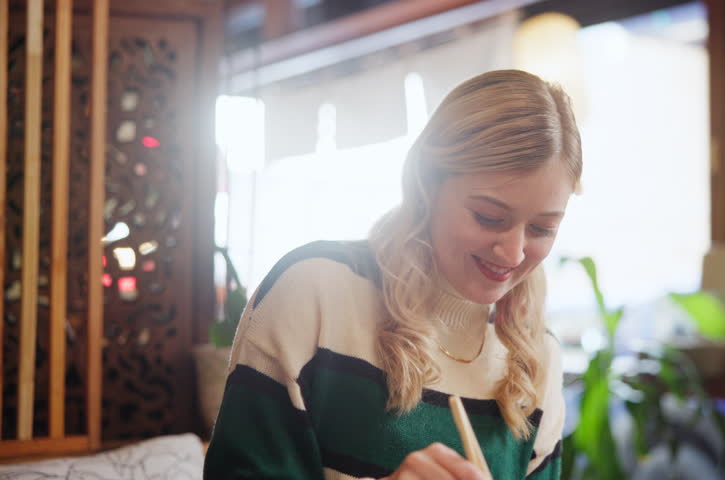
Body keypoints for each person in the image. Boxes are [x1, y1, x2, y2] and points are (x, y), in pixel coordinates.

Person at [203, 69, 583, 480]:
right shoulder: (314, 292)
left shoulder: (537, 354)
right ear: (427, 184)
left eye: (543, 229)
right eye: (489, 217)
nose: (513, 252)